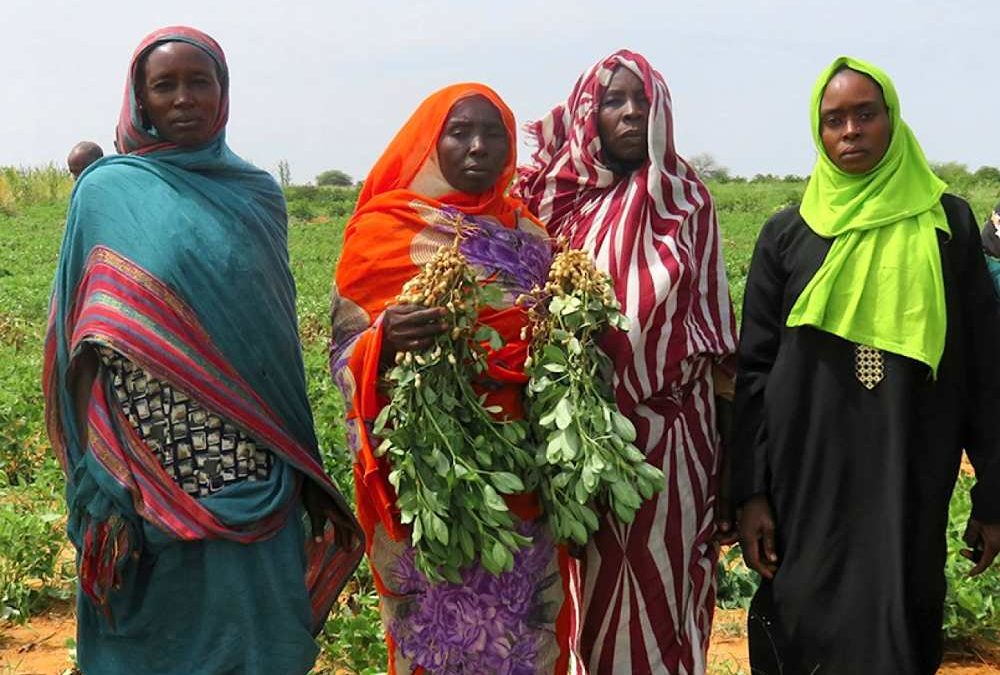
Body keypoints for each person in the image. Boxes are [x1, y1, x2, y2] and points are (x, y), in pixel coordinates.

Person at [43, 26, 362, 675]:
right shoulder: (104, 193)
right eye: (165, 85)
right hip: (141, 470)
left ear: (223, 93)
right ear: (141, 99)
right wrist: (97, 470)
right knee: (153, 642)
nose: (184, 98)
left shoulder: (255, 196)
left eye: (200, 82)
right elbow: (76, 343)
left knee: (256, 639)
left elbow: (272, 347)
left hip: (250, 465)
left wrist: (301, 458)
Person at [730, 56, 1000, 674]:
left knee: (901, 619)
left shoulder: (948, 226)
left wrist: (993, 491)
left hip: (909, 470)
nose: (849, 131)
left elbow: (986, 369)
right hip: (806, 483)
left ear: (892, 121)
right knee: (802, 622)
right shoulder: (786, 236)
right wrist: (751, 493)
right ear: (818, 133)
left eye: (865, 115)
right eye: (833, 121)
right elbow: (756, 374)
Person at [330, 83, 582, 674]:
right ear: (429, 141)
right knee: (435, 635)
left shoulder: (530, 234)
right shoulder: (384, 231)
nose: (477, 146)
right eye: (460, 131)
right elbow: (344, 350)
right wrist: (383, 341)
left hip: (521, 474)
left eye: (493, 133)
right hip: (429, 479)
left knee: (524, 631)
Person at [515, 50, 738, 674]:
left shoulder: (686, 200)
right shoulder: (556, 202)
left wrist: (731, 468)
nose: (631, 110)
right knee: (593, 595)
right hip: (577, 441)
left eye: (643, 99)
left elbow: (718, 345)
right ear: (591, 111)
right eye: (614, 99)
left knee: (666, 591)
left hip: (670, 442)